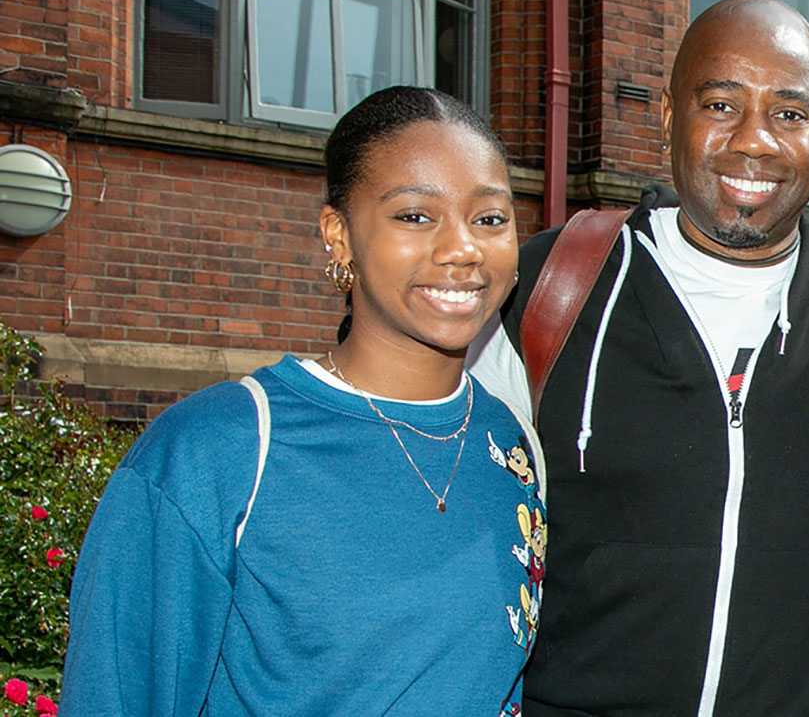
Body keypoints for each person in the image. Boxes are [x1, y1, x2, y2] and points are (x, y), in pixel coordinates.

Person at [467, 0, 809, 716]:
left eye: (789, 114)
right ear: (669, 115)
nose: (753, 141)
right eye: (722, 105)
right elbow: (448, 523)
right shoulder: (550, 290)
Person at [62, 86, 543, 715]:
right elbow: (117, 695)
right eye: (415, 216)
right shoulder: (219, 450)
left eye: (489, 218)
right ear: (338, 236)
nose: (463, 249)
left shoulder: (509, 442)